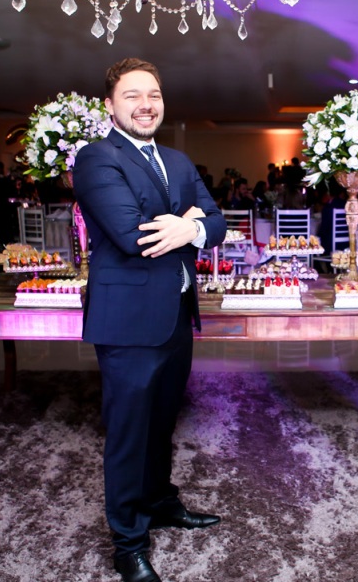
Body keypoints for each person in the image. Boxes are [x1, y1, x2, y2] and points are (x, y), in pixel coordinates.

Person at [73, 58, 226, 582]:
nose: (146, 105)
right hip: (128, 319)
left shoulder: (179, 161)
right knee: (129, 433)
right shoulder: (96, 158)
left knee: (163, 421)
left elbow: (218, 221)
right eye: (132, 95)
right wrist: (190, 224)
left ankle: (160, 502)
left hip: (176, 315)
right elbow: (130, 233)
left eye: (154, 94)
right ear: (110, 105)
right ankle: (128, 544)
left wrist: (193, 228)